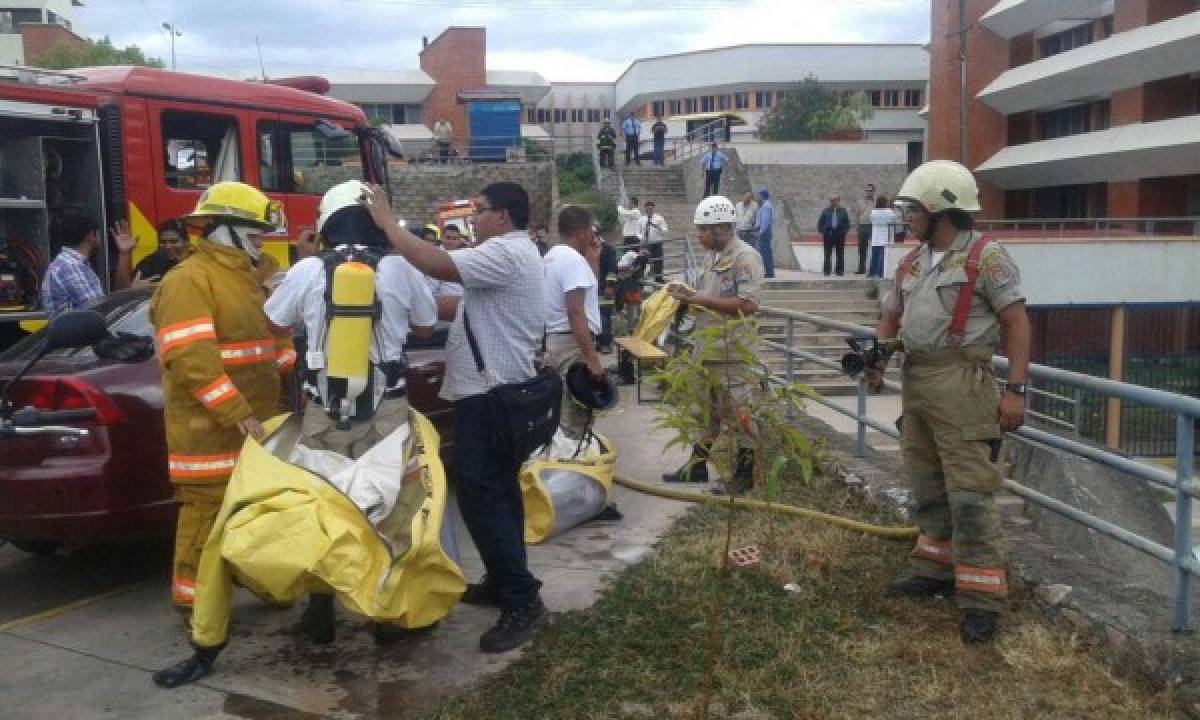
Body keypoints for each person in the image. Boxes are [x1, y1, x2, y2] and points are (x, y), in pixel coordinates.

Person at [364, 181, 549, 654]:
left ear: (503, 216)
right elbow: (450, 304)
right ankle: (508, 580)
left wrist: (387, 222)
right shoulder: (508, 257)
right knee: (498, 494)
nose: (474, 221)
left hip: (490, 398)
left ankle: (521, 602)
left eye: (481, 212)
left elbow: (434, 262)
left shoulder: (504, 253)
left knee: (484, 496)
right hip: (494, 395)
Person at [263, 179, 437, 646]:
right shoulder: (401, 268)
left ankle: (321, 613)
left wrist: (304, 269)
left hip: (324, 410)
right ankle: (387, 616)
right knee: (394, 510)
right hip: (388, 410)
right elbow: (424, 324)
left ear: (325, 222)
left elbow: (275, 321)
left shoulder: (307, 272)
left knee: (325, 506)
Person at [866, 160, 1030, 645]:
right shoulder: (912, 262)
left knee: (970, 492)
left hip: (963, 383)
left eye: (913, 209)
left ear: (942, 209)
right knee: (926, 482)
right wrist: (876, 358)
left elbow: (1017, 323)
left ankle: (982, 599)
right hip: (917, 380)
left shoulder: (987, 257)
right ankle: (932, 570)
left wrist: (1016, 391)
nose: (906, 217)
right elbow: (889, 318)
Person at [149, 182, 292, 617]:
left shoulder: (250, 280)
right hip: (208, 432)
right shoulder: (189, 281)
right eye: (253, 233)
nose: (260, 242)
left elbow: (273, 346)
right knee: (206, 515)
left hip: (256, 423)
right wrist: (237, 412)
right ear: (224, 230)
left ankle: (265, 582)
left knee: (256, 509)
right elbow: (193, 360)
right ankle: (195, 604)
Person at [663, 195, 764, 496]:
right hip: (708, 349)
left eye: (703, 230)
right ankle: (696, 465)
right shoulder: (712, 258)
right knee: (704, 412)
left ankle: (745, 474)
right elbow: (711, 296)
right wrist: (689, 294)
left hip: (732, 352)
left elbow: (749, 304)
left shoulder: (746, 258)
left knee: (740, 414)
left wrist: (701, 299)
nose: (699, 236)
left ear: (720, 227)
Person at [544, 206, 605, 438]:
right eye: (591, 230)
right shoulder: (571, 261)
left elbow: (585, 298)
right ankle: (574, 466)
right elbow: (575, 311)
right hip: (573, 345)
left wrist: (593, 261)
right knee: (575, 416)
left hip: (557, 341)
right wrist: (592, 357)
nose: (593, 235)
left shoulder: (551, 257)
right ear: (582, 231)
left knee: (561, 413)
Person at [41, 214, 137, 317]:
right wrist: (136, 293)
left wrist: (124, 254)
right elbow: (100, 312)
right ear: (91, 236)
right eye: (99, 234)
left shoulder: (74, 264)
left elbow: (108, 309)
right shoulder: (70, 266)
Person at [133, 219, 189, 284]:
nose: (167, 246)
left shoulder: (198, 261)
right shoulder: (152, 262)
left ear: (186, 242)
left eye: (173, 241)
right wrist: (124, 254)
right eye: (163, 242)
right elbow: (123, 289)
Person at [596, 227, 618, 354]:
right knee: (595, 316)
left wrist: (609, 285)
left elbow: (612, 269)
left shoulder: (608, 249)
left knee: (604, 316)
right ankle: (599, 341)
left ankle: (606, 343)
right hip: (593, 289)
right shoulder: (588, 248)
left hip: (605, 289)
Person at [817, 193, 850, 276]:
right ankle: (827, 271)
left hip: (840, 234)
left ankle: (839, 271)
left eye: (835, 200)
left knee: (840, 254)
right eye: (831, 200)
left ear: (838, 200)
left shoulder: (843, 211)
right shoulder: (825, 211)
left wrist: (844, 232)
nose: (833, 202)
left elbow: (847, 223)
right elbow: (820, 224)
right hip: (829, 234)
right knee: (827, 254)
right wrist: (824, 231)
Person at [637, 200, 668, 283]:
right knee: (643, 261)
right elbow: (637, 232)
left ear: (653, 208)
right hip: (646, 244)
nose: (649, 210)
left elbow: (665, 230)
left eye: (651, 209)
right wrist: (641, 238)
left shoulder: (659, 218)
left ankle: (658, 279)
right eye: (647, 209)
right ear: (645, 209)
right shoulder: (641, 220)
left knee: (658, 261)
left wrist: (659, 228)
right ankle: (641, 280)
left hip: (657, 243)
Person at [868, 195, 898, 278]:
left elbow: (871, 220)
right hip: (885, 236)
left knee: (874, 256)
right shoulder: (889, 211)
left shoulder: (873, 212)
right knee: (883, 256)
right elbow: (894, 219)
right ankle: (880, 273)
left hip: (875, 236)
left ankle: (872, 273)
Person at [855, 183, 876, 275]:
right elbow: (857, 215)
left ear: (874, 191)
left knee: (875, 248)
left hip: (873, 226)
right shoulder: (860, 202)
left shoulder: (877, 202)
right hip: (862, 226)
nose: (868, 192)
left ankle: (873, 269)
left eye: (870, 190)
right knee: (862, 249)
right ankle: (861, 269)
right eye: (867, 190)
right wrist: (857, 227)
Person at [755, 188, 775, 279]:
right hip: (765, 230)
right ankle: (768, 271)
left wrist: (761, 231)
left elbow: (765, 220)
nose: (757, 197)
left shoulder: (766, 206)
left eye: (759, 195)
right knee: (765, 252)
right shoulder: (764, 205)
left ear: (763, 196)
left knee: (765, 252)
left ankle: (769, 272)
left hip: (765, 231)